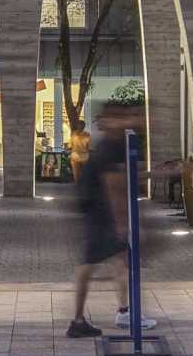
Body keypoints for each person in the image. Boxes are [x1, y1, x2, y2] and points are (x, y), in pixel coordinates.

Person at [66, 102, 156, 338]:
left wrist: (158, 174)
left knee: (118, 260)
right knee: (91, 264)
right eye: (132, 116)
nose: (137, 120)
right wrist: (123, 224)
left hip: (95, 206)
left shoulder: (116, 143)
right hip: (98, 209)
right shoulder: (112, 147)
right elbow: (114, 185)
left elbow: (122, 177)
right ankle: (79, 320)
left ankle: (123, 311)